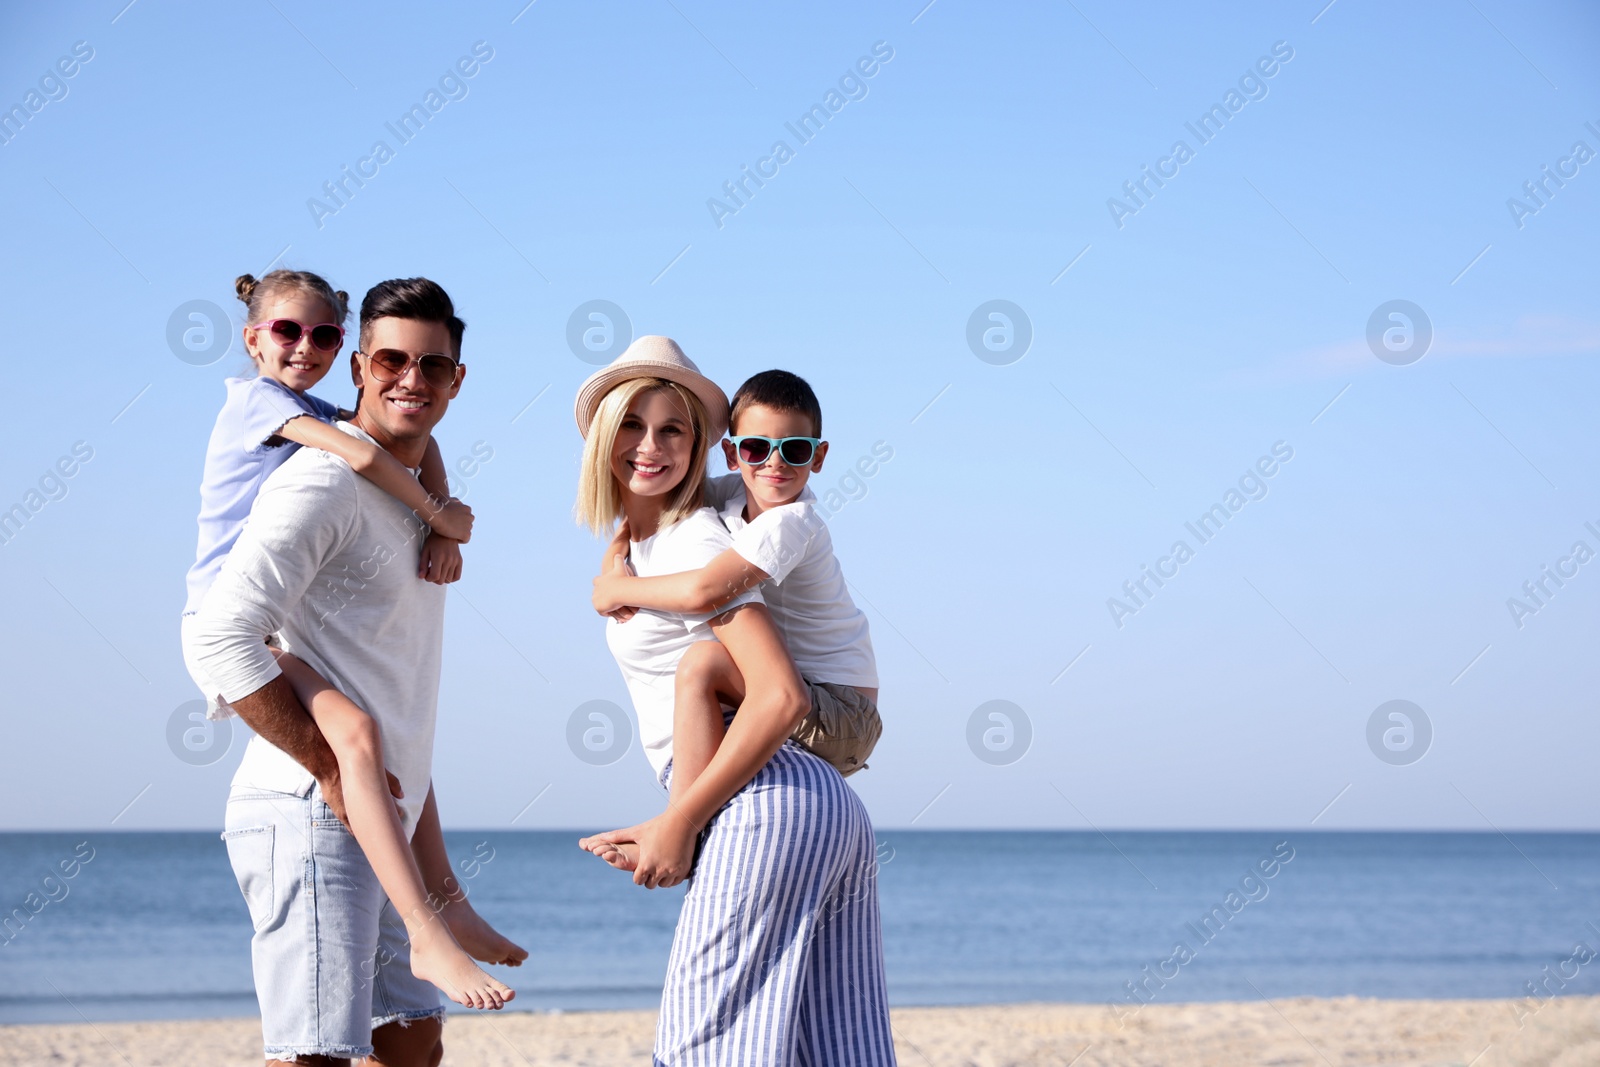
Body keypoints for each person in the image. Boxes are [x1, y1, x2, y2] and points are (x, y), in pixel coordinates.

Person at [189, 277, 526, 1066]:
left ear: (457, 380)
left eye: (433, 366)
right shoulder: (322, 479)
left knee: (411, 1043)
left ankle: (443, 909)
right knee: (314, 1055)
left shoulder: (407, 494)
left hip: (385, 811)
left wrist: (441, 518)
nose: (412, 379)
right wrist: (327, 766)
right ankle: (433, 916)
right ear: (360, 370)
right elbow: (219, 638)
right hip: (310, 808)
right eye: (392, 361)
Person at [571, 336, 896, 1065]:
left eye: (670, 428)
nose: (649, 445)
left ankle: (675, 827)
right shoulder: (686, 520)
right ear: (730, 451)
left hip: (767, 796)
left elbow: (777, 693)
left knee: (704, 1050)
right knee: (834, 1048)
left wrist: (681, 821)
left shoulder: (712, 540)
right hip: (817, 804)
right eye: (630, 424)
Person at [586, 369, 883, 873]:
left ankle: (679, 826)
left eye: (794, 450)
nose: (773, 465)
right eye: (755, 449)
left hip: (841, 712)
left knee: (704, 662)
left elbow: (705, 590)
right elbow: (649, 509)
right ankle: (676, 826)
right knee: (709, 661)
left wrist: (617, 589)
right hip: (820, 701)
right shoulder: (728, 496)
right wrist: (616, 552)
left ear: (819, 456)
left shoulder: (791, 522)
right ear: (730, 454)